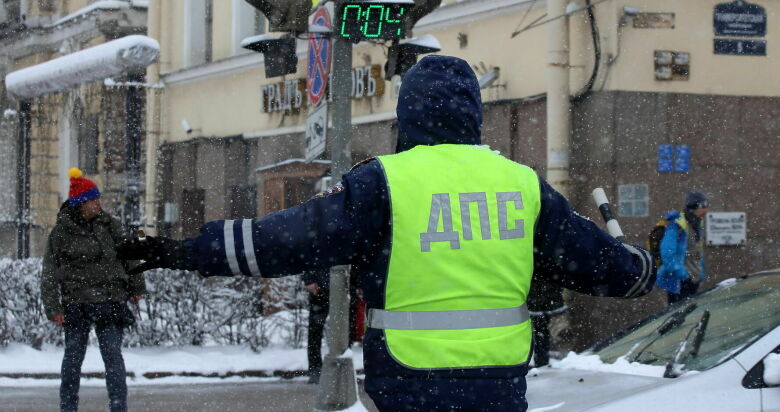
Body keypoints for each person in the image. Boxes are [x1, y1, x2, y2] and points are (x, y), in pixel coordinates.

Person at [118, 55, 655, 412]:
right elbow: (605, 267)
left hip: (409, 379)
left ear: (408, 114)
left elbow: (282, 240)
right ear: (473, 113)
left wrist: (180, 250)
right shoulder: (522, 186)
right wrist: (642, 268)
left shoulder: (385, 183)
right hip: (499, 384)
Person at [41, 168, 146, 412]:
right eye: (93, 199)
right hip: (76, 303)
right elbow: (49, 272)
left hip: (110, 301)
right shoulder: (60, 234)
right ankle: (68, 407)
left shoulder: (111, 226)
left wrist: (136, 287)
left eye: (98, 199)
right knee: (73, 361)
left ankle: (119, 407)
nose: (98, 204)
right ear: (80, 203)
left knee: (113, 359)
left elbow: (132, 254)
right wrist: (53, 307)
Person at [302, 266, 362, 384]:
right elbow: (309, 253)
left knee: (346, 332)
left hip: (346, 287)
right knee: (315, 331)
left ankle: (344, 370)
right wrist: (309, 279)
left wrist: (359, 282)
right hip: (322, 288)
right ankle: (316, 370)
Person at [655, 190, 709, 305]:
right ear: (694, 206)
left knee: (689, 313)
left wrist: (700, 272)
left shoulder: (698, 225)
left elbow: (697, 252)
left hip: (694, 278)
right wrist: (681, 273)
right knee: (677, 315)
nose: (706, 210)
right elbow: (667, 253)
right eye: (703, 206)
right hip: (680, 280)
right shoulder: (677, 224)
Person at [527, 277, 567, 368]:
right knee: (542, 330)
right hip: (545, 298)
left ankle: (541, 361)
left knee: (541, 330)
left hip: (540, 298)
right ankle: (542, 361)